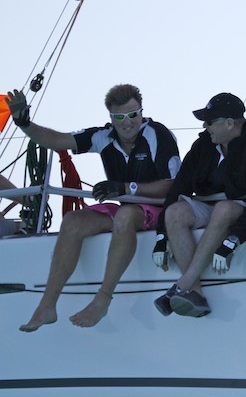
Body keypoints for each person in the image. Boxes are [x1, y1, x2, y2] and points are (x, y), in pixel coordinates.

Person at [5, 85, 181, 331]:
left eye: (133, 115)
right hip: (127, 206)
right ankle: (47, 305)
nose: (128, 122)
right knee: (73, 220)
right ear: (111, 118)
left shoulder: (157, 134)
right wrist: (24, 123)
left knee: (125, 214)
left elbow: (172, 186)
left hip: (160, 208)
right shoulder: (103, 136)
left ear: (142, 112)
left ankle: (103, 298)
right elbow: (58, 140)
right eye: (120, 117)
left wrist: (125, 188)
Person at [152, 92, 246, 318]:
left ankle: (181, 285)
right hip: (210, 206)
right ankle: (194, 294)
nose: (204, 125)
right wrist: (162, 236)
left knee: (224, 208)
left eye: (210, 121)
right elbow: (178, 188)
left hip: (240, 208)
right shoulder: (203, 145)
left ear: (230, 123)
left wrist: (234, 239)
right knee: (174, 212)